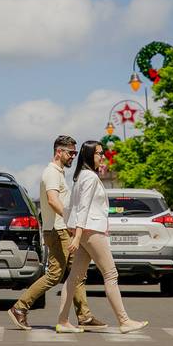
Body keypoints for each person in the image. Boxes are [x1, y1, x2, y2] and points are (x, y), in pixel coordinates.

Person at [8, 135, 107, 331]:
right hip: (58, 230)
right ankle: (19, 308)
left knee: (77, 273)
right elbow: (53, 200)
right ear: (58, 152)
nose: (73, 156)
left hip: (61, 229)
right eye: (70, 152)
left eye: (75, 153)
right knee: (55, 275)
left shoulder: (59, 173)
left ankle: (84, 316)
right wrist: (71, 221)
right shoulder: (51, 173)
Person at [55, 140, 149, 334]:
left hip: (84, 231)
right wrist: (77, 234)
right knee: (111, 274)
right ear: (90, 155)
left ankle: (63, 321)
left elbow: (72, 207)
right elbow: (83, 207)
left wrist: (75, 233)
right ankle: (124, 321)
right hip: (91, 231)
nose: (103, 156)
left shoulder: (81, 176)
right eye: (99, 153)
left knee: (74, 277)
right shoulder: (89, 177)